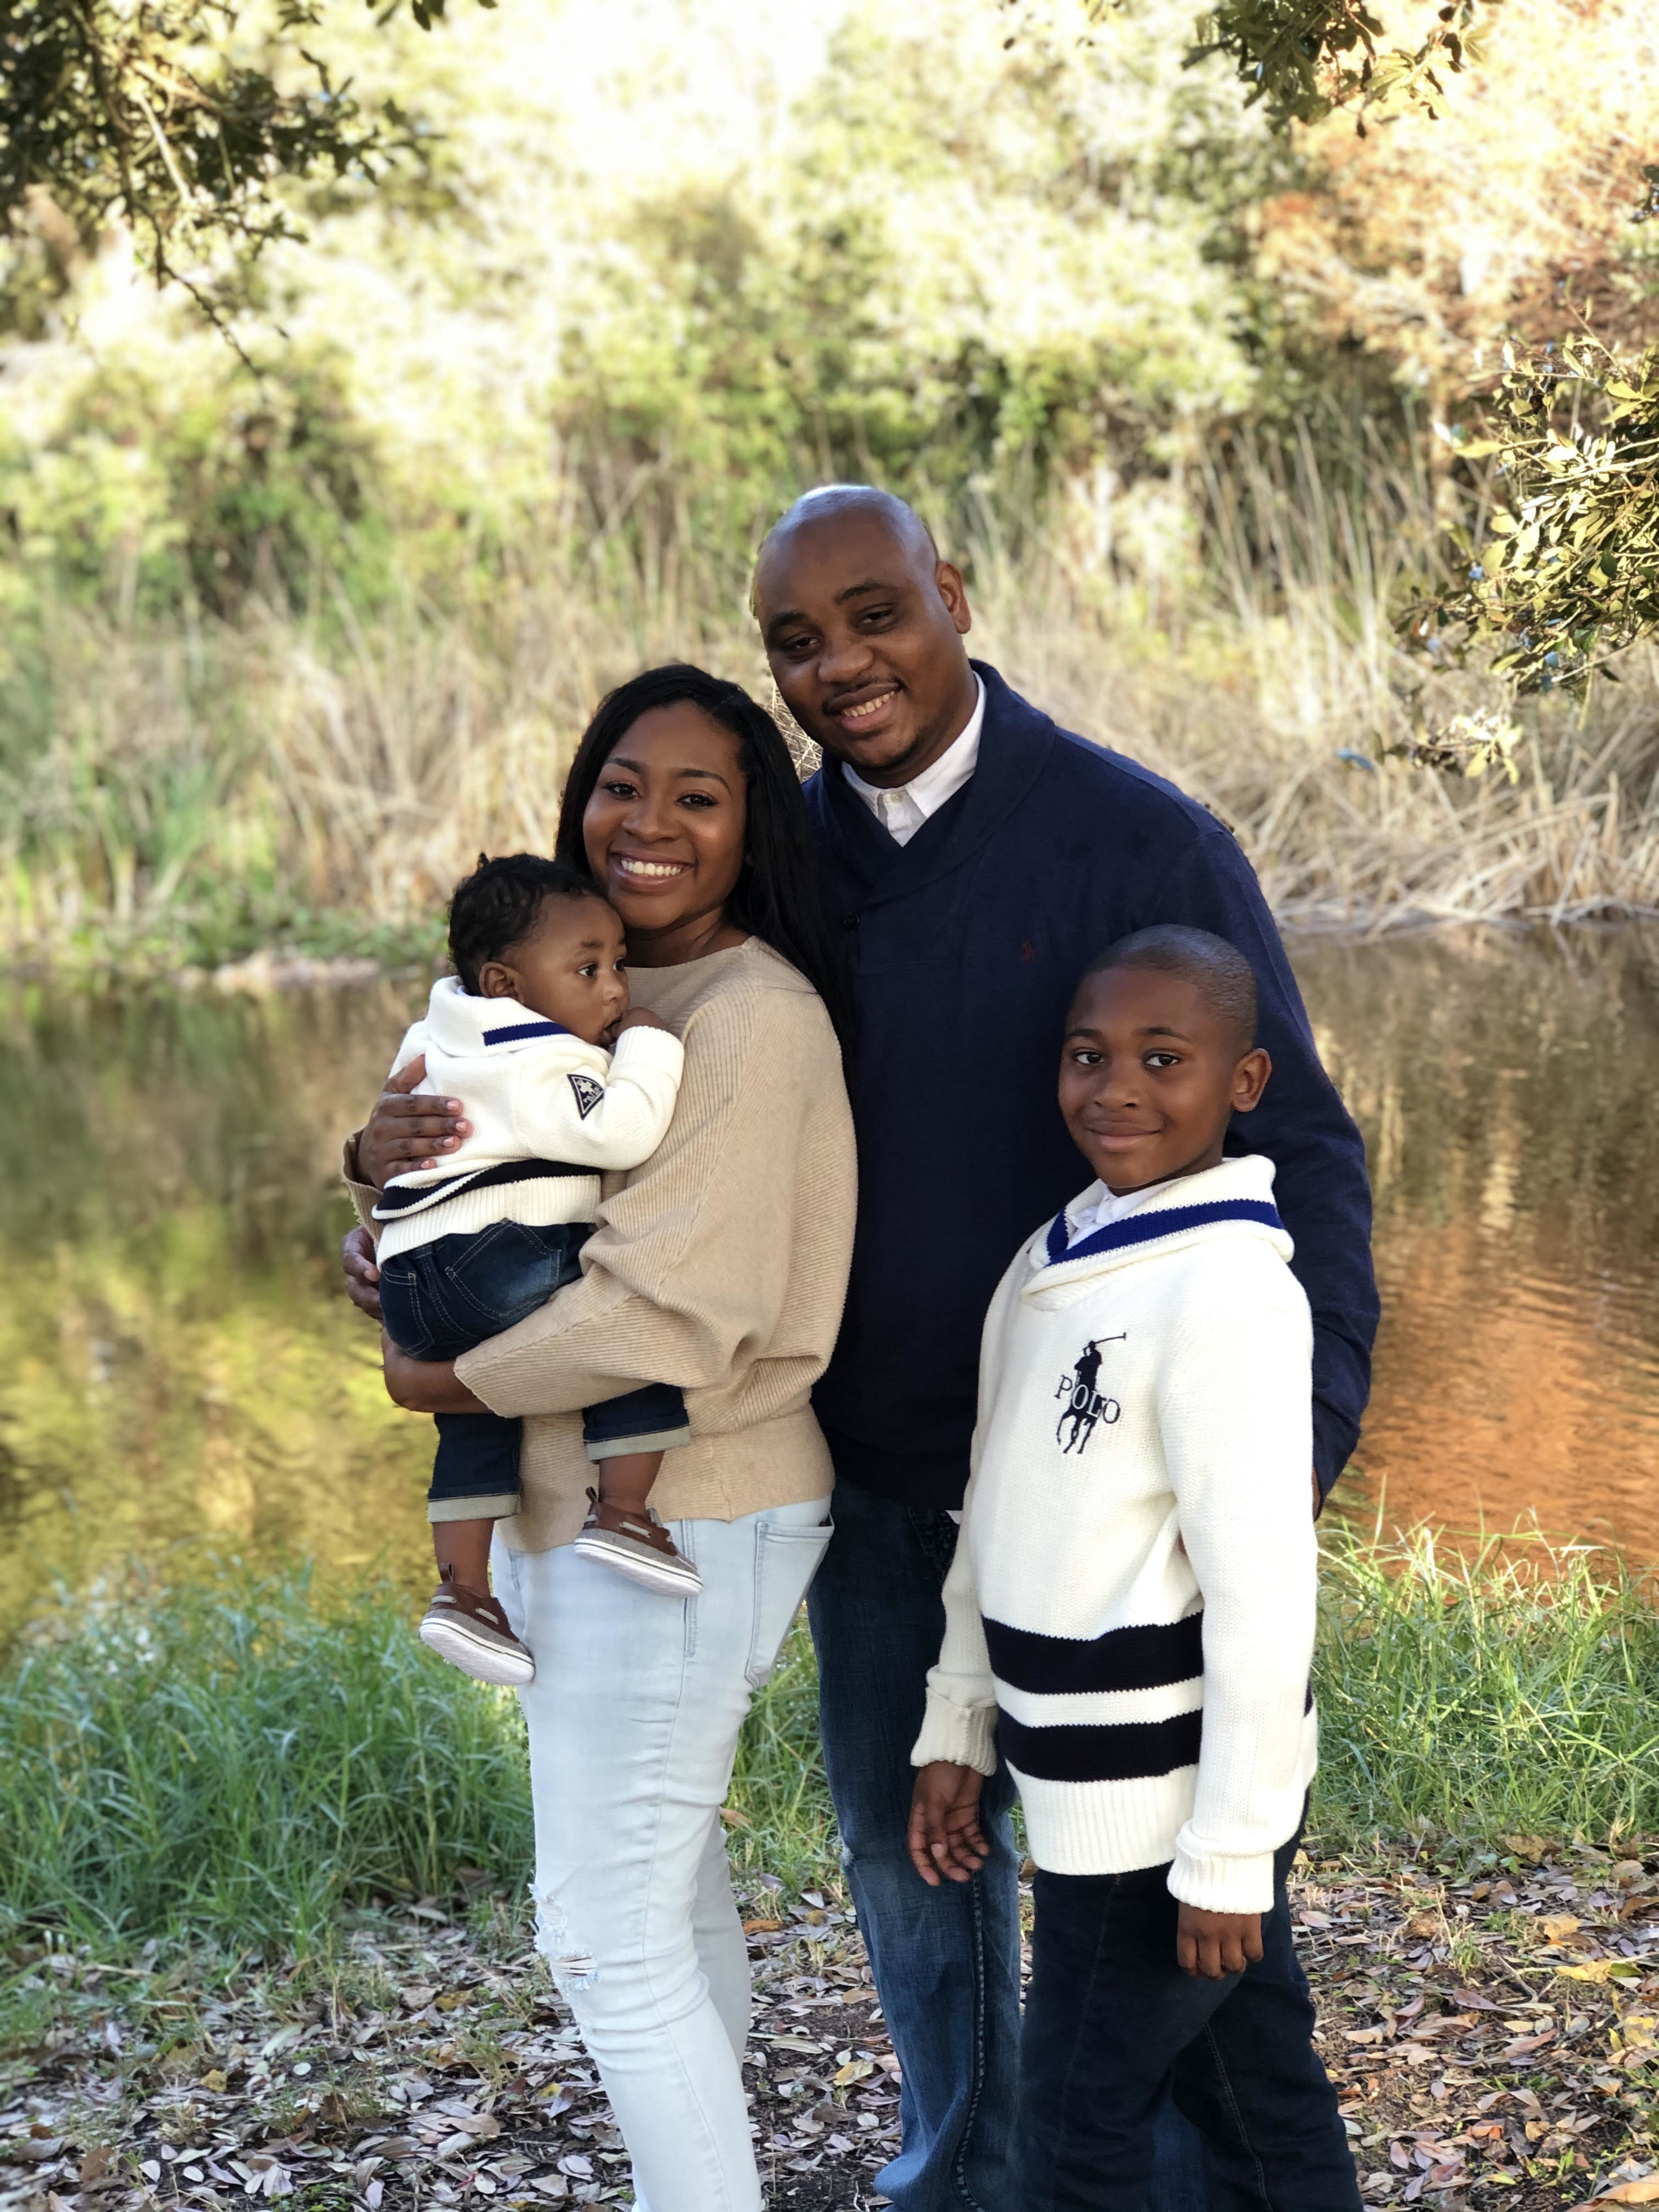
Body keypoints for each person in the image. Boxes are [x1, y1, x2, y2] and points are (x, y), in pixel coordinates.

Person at [752, 486, 1379, 2212]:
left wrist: (1286, 1448)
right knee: (916, 1862)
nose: (842, 665)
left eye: (876, 613)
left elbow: (1304, 1149)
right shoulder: (790, 867)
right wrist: (419, 1191)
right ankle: (962, 2179)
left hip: (1127, 1522)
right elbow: (623, 1055)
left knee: (1157, 1923)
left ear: (954, 593)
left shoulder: (1137, 839)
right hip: (880, 1485)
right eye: (797, 641)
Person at [341, 665, 857, 2212]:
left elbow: (663, 1317)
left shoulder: (752, 1018)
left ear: (751, 822)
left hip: (693, 1506)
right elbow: (453, 1204)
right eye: (622, 785)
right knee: (666, 1900)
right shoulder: (550, 987)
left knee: (598, 1930)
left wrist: (435, 1384)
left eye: (697, 796)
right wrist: (366, 1195)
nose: (649, 823)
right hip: (581, 1511)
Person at [907, 926, 1361, 2212]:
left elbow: (1268, 1586)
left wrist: (1227, 1851)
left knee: (1068, 2134)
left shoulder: (1228, 1288)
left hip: (1168, 1809)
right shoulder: (1055, 1254)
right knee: (1255, 2098)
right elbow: (993, 1507)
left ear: (1245, 1083)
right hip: (1083, 1784)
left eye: (1166, 1058)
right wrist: (960, 1714)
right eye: (1088, 1055)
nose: (1117, 1087)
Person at [376, 851, 698, 1689]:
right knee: (628, 1330)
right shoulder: (534, 1054)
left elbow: (395, 1133)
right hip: (497, 1256)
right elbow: (620, 1132)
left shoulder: (434, 1037)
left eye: (619, 966)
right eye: (588, 969)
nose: (615, 991)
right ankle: (624, 1511)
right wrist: (650, 1048)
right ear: (505, 984)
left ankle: (466, 1594)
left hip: (413, 1279)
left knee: (473, 1419)